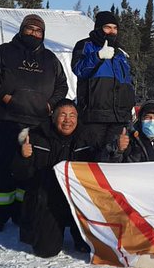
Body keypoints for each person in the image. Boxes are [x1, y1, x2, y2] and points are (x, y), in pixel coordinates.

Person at [0, 13, 68, 233]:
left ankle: (22, 212)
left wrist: (50, 105)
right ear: (21, 29)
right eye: (29, 29)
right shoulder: (4, 52)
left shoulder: (50, 59)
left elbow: (62, 86)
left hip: (38, 123)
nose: (33, 33)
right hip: (8, 120)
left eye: (38, 30)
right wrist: (6, 97)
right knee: (2, 166)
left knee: (29, 169)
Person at [12, 100, 99, 258]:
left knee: (88, 246)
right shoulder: (36, 137)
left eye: (72, 115)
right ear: (53, 117)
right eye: (63, 115)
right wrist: (23, 157)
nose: (68, 120)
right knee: (46, 250)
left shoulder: (87, 139)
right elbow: (20, 175)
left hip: (77, 200)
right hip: (47, 199)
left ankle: (80, 236)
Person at [72, 10, 135, 146]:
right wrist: (97, 56)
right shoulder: (85, 45)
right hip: (95, 116)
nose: (112, 31)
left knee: (115, 160)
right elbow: (78, 69)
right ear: (99, 28)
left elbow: (128, 82)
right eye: (108, 27)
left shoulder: (120, 52)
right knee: (94, 159)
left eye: (115, 28)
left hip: (120, 117)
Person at [107, 99, 154, 163]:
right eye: (147, 117)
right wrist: (118, 150)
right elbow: (108, 167)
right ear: (140, 120)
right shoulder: (129, 141)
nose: (152, 121)